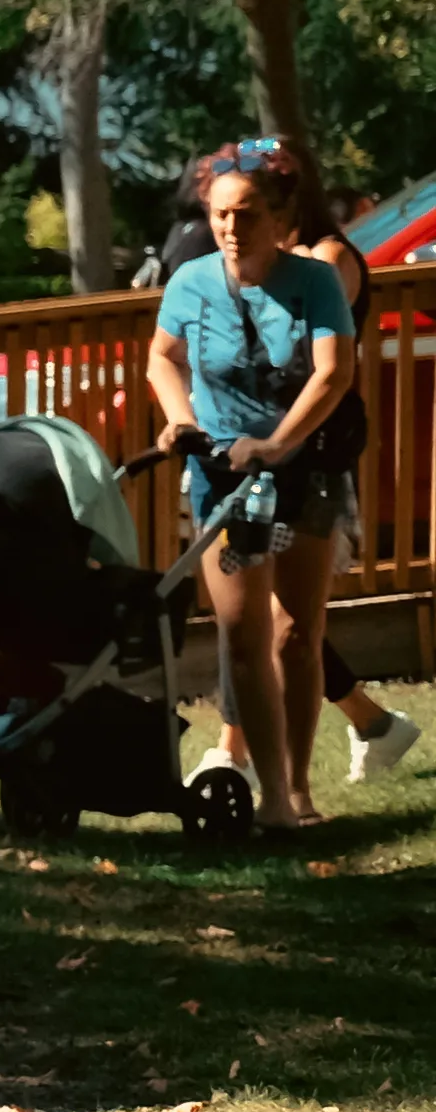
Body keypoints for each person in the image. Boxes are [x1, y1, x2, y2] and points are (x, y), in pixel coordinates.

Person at [152, 145, 368, 829]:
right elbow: (162, 357)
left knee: (297, 635)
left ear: (278, 217)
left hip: (306, 474)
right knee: (243, 637)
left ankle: (299, 789)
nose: (229, 228)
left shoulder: (315, 281)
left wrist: (277, 445)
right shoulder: (190, 282)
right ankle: (272, 796)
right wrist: (182, 420)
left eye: (244, 214)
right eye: (220, 214)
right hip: (222, 479)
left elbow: (333, 373)